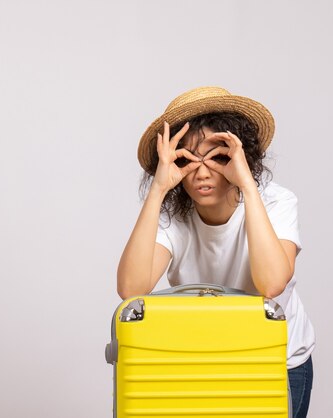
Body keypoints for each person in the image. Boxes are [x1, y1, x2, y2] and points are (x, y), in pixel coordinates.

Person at [117, 87, 315, 418]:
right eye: (187, 159)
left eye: (219, 157)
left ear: (241, 158)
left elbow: (271, 284)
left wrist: (248, 185)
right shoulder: (173, 217)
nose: (203, 171)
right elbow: (131, 290)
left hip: (276, 358)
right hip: (202, 356)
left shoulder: (277, 202)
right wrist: (158, 189)